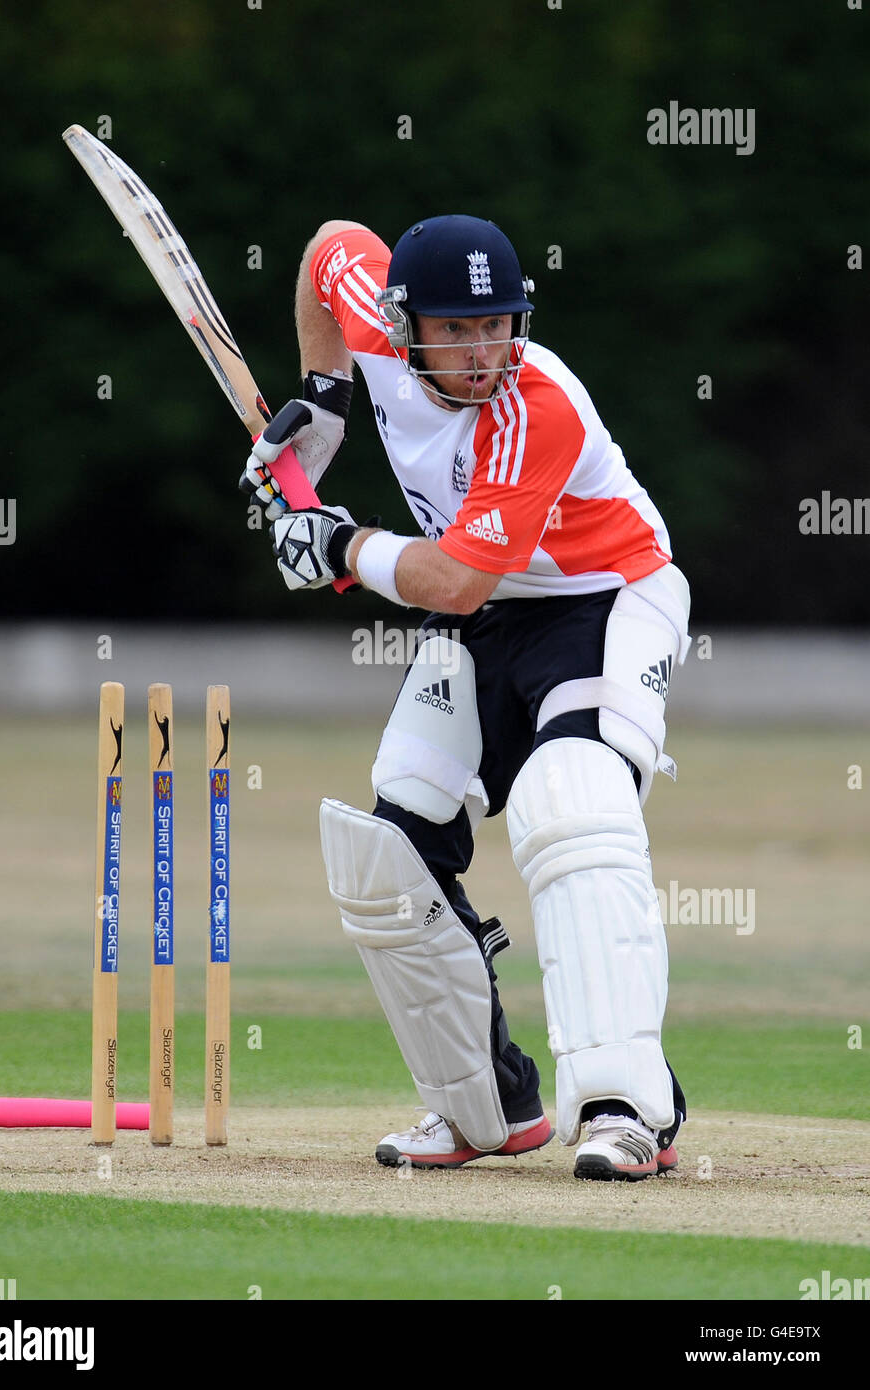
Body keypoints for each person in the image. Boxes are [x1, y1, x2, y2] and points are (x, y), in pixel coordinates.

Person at [241, 215, 690, 1181]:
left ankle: (625, 1108)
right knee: (391, 847)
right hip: (488, 607)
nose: (482, 350)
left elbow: (450, 584)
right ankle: (484, 1104)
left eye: (499, 324)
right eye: (456, 329)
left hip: (603, 592)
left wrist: (333, 545)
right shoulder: (371, 309)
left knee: (571, 801)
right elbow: (326, 248)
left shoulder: (537, 408)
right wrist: (322, 401)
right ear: (404, 325)